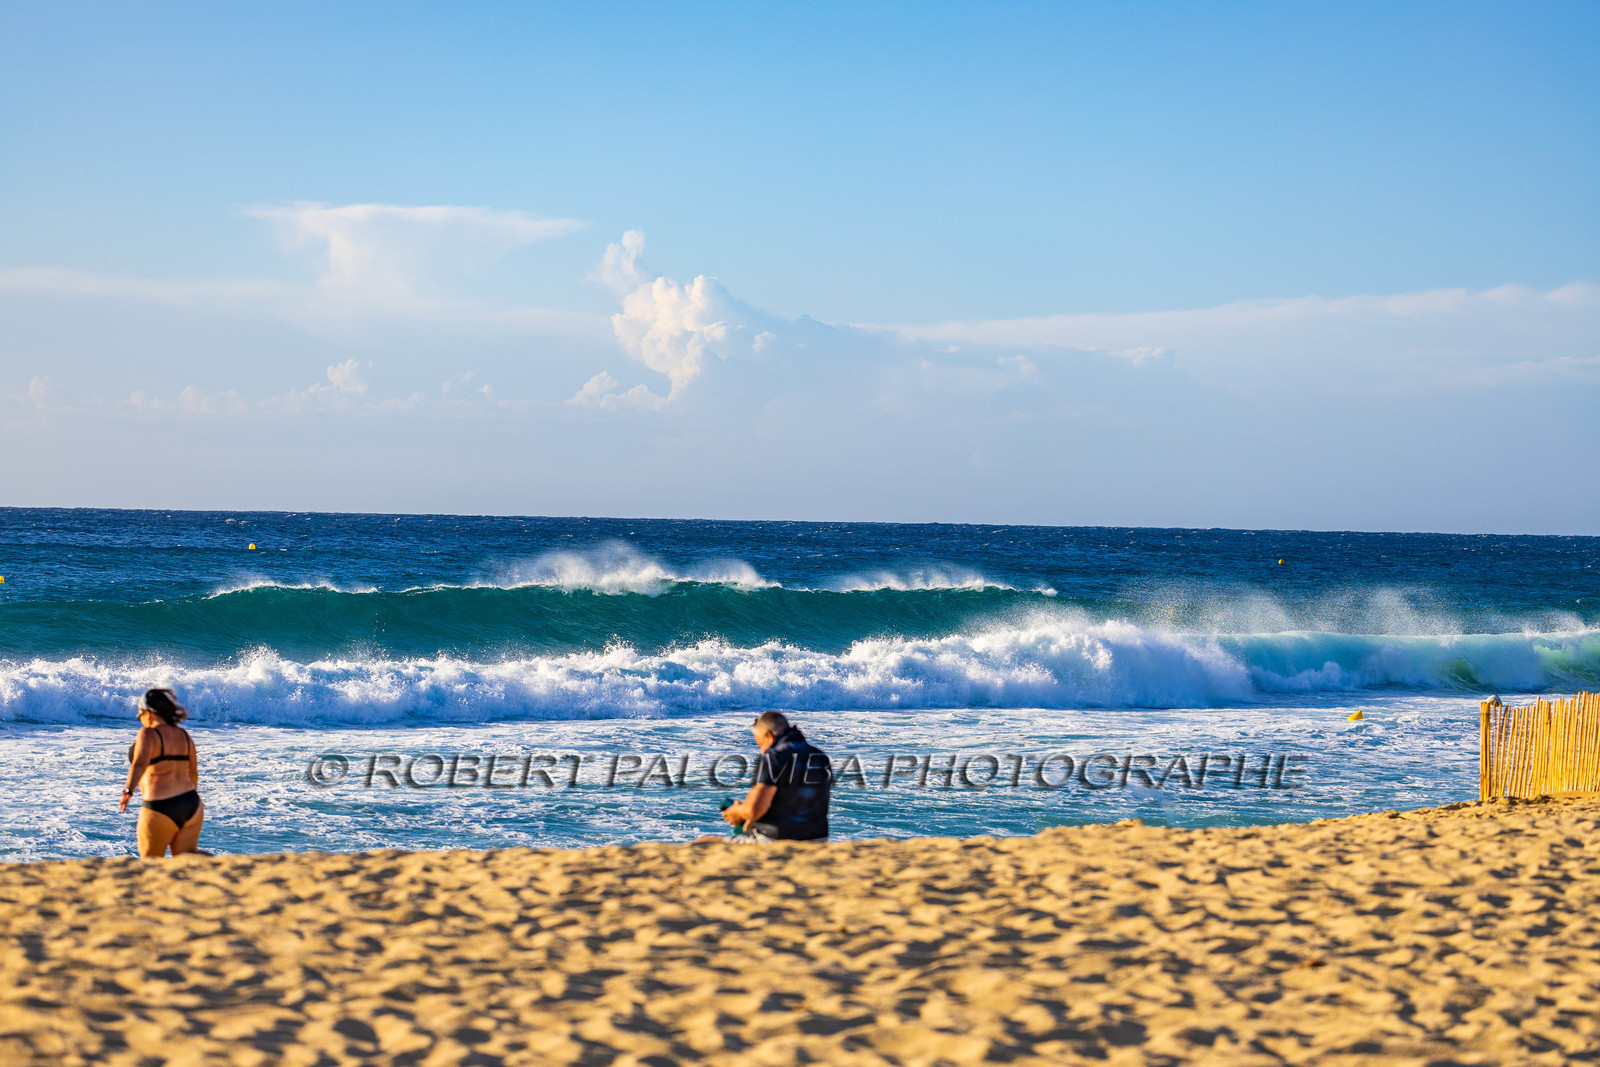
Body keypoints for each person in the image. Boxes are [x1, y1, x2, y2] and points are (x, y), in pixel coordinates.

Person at [721, 711, 831, 843]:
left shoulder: (774, 756)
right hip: (819, 839)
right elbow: (794, 801)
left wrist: (737, 811)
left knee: (704, 842)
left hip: (777, 840)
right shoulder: (820, 756)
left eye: (760, 744)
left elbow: (754, 810)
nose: (762, 751)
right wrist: (752, 819)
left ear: (768, 736)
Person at [120, 688, 205, 858]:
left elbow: (139, 764)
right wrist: (191, 800)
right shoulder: (184, 735)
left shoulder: (149, 733)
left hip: (160, 805)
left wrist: (128, 792)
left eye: (140, 715)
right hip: (191, 805)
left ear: (149, 713)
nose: (141, 721)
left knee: (151, 863)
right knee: (186, 860)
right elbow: (193, 773)